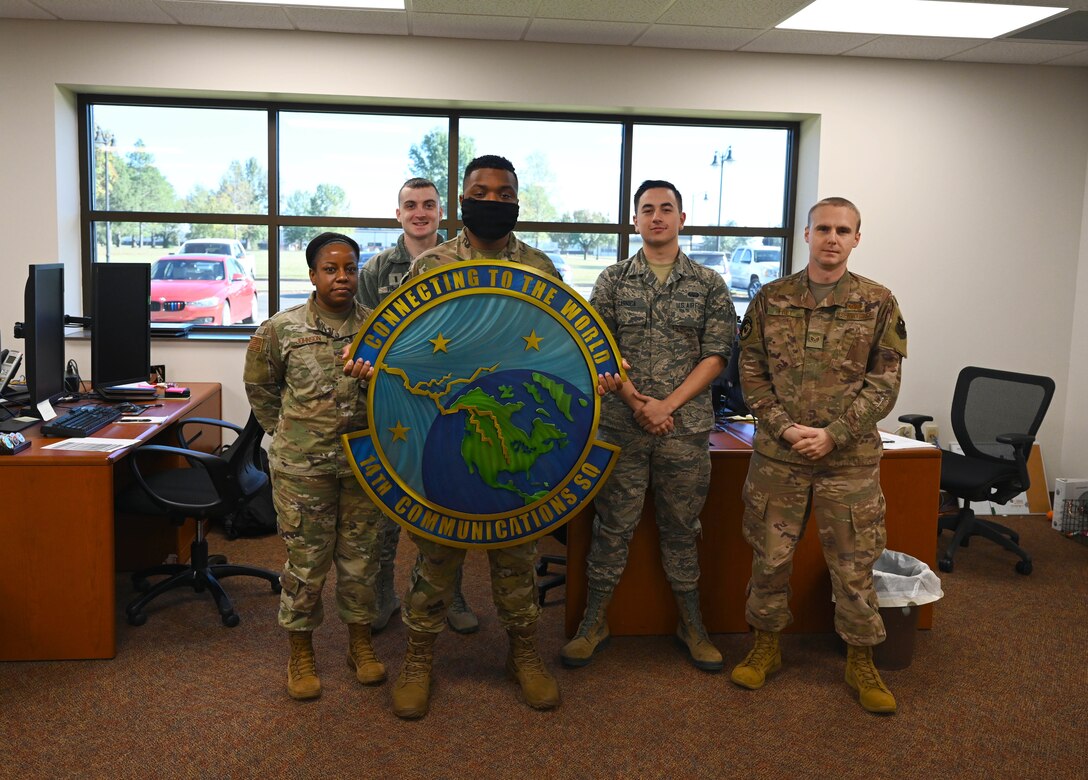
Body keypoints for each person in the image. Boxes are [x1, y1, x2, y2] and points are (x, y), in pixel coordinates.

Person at [391, 154, 562, 720]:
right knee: (437, 551)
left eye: (503, 192)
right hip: (448, 419)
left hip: (512, 426)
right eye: (480, 191)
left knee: (516, 549)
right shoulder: (432, 266)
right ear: (463, 199)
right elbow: (407, 346)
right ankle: (419, 657)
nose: (492, 200)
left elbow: (562, 349)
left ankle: (524, 655)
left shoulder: (540, 267)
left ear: (517, 200)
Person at [730, 197, 908, 715]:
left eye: (843, 230)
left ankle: (860, 659)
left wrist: (834, 433)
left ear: (856, 238)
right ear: (805, 234)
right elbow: (751, 372)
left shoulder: (879, 302)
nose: (832, 237)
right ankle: (765, 648)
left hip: (847, 461)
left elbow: (885, 383)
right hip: (778, 459)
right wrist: (784, 428)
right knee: (769, 559)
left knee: (853, 565)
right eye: (823, 228)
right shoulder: (770, 298)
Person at [560, 180, 736, 672]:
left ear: (682, 219)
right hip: (621, 426)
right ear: (635, 220)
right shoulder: (613, 280)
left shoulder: (709, 283)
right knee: (612, 527)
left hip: (684, 430)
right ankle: (594, 621)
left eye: (666, 209)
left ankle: (692, 625)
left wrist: (666, 406)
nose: (656, 217)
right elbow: (599, 352)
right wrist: (639, 403)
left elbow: (717, 355)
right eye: (647, 210)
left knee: (682, 528)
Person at [244, 232, 385, 701]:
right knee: (306, 564)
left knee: (362, 562)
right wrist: (289, 434)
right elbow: (262, 390)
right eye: (331, 268)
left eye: (350, 268)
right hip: (303, 470)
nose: (342, 277)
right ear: (312, 275)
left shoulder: (381, 329)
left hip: (365, 467)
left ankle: (360, 644)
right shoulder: (280, 330)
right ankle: (300, 652)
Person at [355, 177, 479, 636]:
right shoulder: (376, 269)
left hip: (449, 397)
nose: (420, 212)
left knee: (449, 499)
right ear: (398, 213)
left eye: (429, 205)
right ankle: (385, 594)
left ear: (441, 213)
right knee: (387, 510)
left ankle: (452, 594)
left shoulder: (458, 262)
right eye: (411, 205)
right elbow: (363, 335)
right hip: (391, 401)